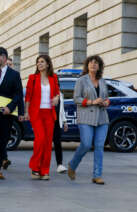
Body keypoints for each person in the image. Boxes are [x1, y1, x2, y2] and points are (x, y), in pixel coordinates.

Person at [68, 55, 109, 185]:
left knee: (99, 146)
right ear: (87, 65)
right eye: (91, 63)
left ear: (99, 67)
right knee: (86, 144)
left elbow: (107, 97)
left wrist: (106, 102)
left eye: (96, 63)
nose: (93, 65)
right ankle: (72, 165)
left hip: (102, 118)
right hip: (86, 117)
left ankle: (97, 175)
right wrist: (92, 101)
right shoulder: (81, 80)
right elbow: (76, 99)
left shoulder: (102, 81)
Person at [0, 47, 24, 180]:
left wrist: (10, 108)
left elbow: (18, 94)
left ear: (4, 58)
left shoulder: (14, 75)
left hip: (6, 114)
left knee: (2, 141)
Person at [24, 55, 60, 180]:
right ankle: (35, 167)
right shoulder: (32, 78)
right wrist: (26, 112)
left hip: (49, 113)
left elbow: (57, 93)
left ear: (48, 64)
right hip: (36, 113)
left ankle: (45, 171)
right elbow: (28, 97)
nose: (39, 64)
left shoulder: (53, 77)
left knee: (48, 142)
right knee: (40, 139)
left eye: (42, 62)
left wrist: (57, 98)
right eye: (38, 62)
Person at [53, 88, 69, 173]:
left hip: (57, 123)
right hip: (48, 121)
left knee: (58, 143)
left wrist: (64, 121)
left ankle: (60, 165)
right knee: (45, 144)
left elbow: (61, 109)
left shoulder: (60, 94)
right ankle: (41, 165)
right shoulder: (48, 91)